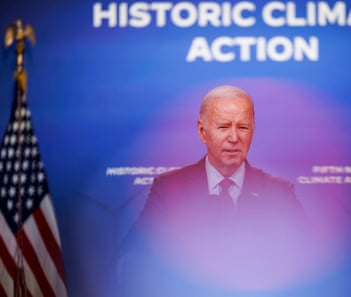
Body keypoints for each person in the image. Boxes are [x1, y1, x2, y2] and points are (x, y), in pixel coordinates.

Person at [119, 85, 306, 297]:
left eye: (243, 127)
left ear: (253, 130)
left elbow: (305, 260)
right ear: (202, 131)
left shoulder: (279, 191)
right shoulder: (169, 188)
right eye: (224, 127)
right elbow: (134, 256)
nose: (234, 137)